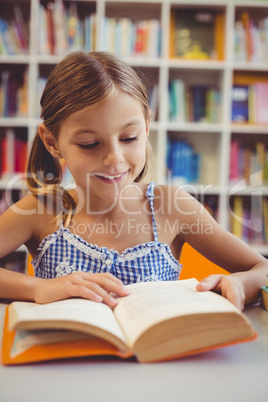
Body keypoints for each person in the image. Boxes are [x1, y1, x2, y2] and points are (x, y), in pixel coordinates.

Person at [0, 51, 267, 310]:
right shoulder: (40, 210)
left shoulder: (171, 206)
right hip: (66, 354)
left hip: (156, 354)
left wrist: (242, 283)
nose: (114, 159)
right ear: (52, 142)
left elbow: (262, 269)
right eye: (90, 144)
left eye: (129, 138)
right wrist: (36, 288)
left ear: (147, 126)